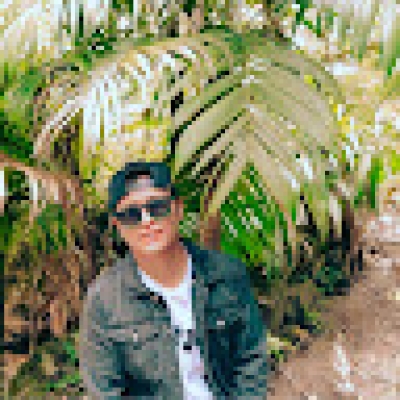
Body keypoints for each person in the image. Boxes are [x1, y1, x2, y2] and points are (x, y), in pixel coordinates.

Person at [79, 161, 268, 399]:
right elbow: (105, 390)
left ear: (178, 209)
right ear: (118, 225)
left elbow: (251, 359)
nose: (146, 221)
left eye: (157, 207)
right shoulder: (104, 299)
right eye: (131, 214)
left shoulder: (226, 274)